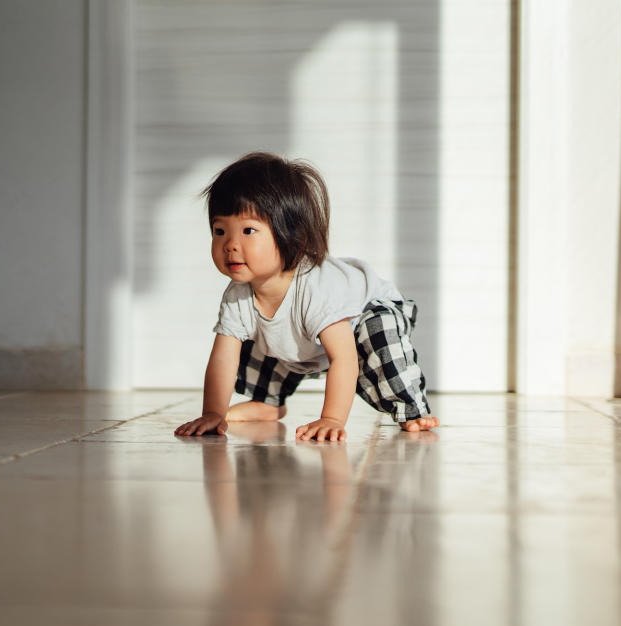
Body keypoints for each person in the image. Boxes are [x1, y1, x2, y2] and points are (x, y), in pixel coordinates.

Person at [175, 152, 439, 441]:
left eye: (248, 230)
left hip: (363, 318)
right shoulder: (238, 295)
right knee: (252, 335)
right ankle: (267, 401)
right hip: (305, 342)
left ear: (292, 236)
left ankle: (413, 410)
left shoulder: (316, 289)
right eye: (220, 230)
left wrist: (331, 418)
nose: (230, 245)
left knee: (380, 331)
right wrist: (213, 412)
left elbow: (344, 357)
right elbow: (224, 357)